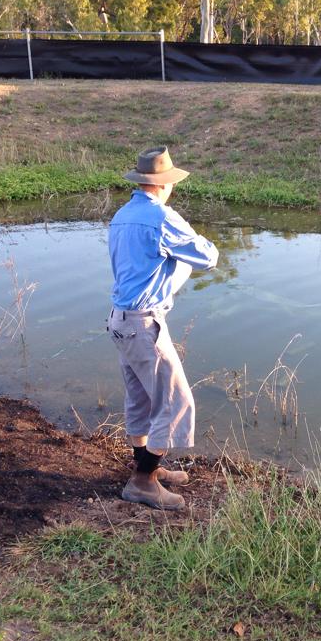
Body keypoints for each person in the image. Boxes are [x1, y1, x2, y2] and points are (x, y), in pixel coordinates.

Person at [107, 147, 219, 510]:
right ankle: (143, 481)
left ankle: (147, 467)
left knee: (140, 397)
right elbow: (208, 257)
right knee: (175, 402)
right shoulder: (161, 218)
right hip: (143, 324)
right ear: (165, 184)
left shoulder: (122, 215)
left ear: (140, 181)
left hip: (121, 320)